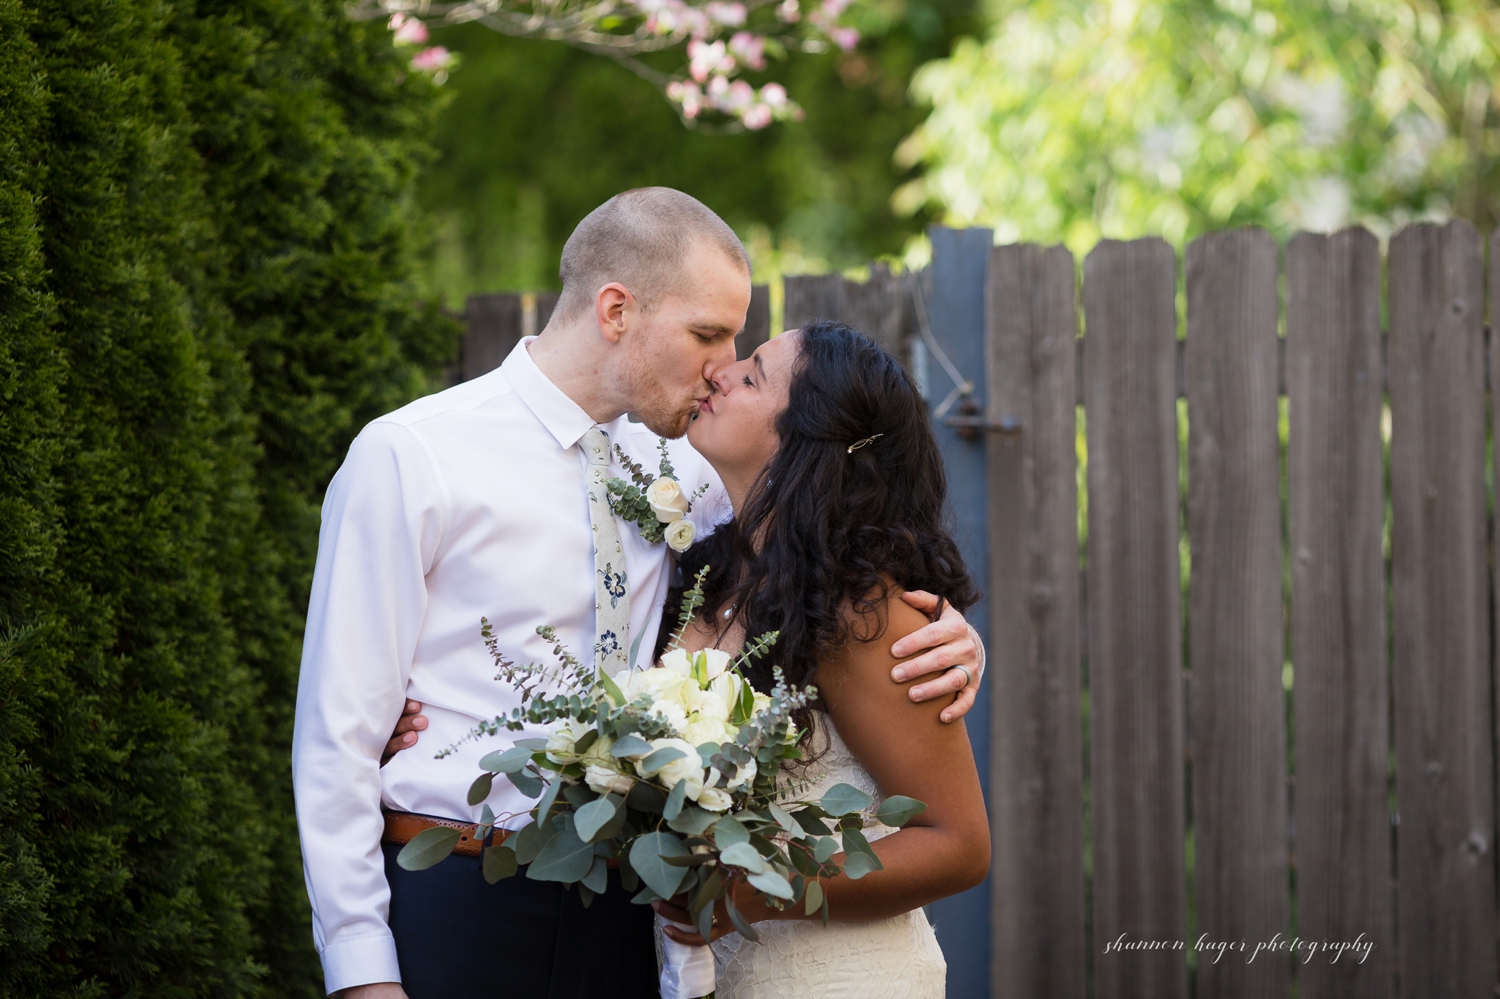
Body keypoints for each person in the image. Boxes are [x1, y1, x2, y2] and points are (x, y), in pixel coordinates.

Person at [292, 187, 986, 999]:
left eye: (736, 342)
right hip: (459, 895)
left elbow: (833, 548)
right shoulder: (413, 457)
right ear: (616, 309)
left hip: (635, 919)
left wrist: (952, 633)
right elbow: (336, 739)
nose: (724, 364)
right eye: (707, 334)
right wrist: (362, 975)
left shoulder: (694, 472)